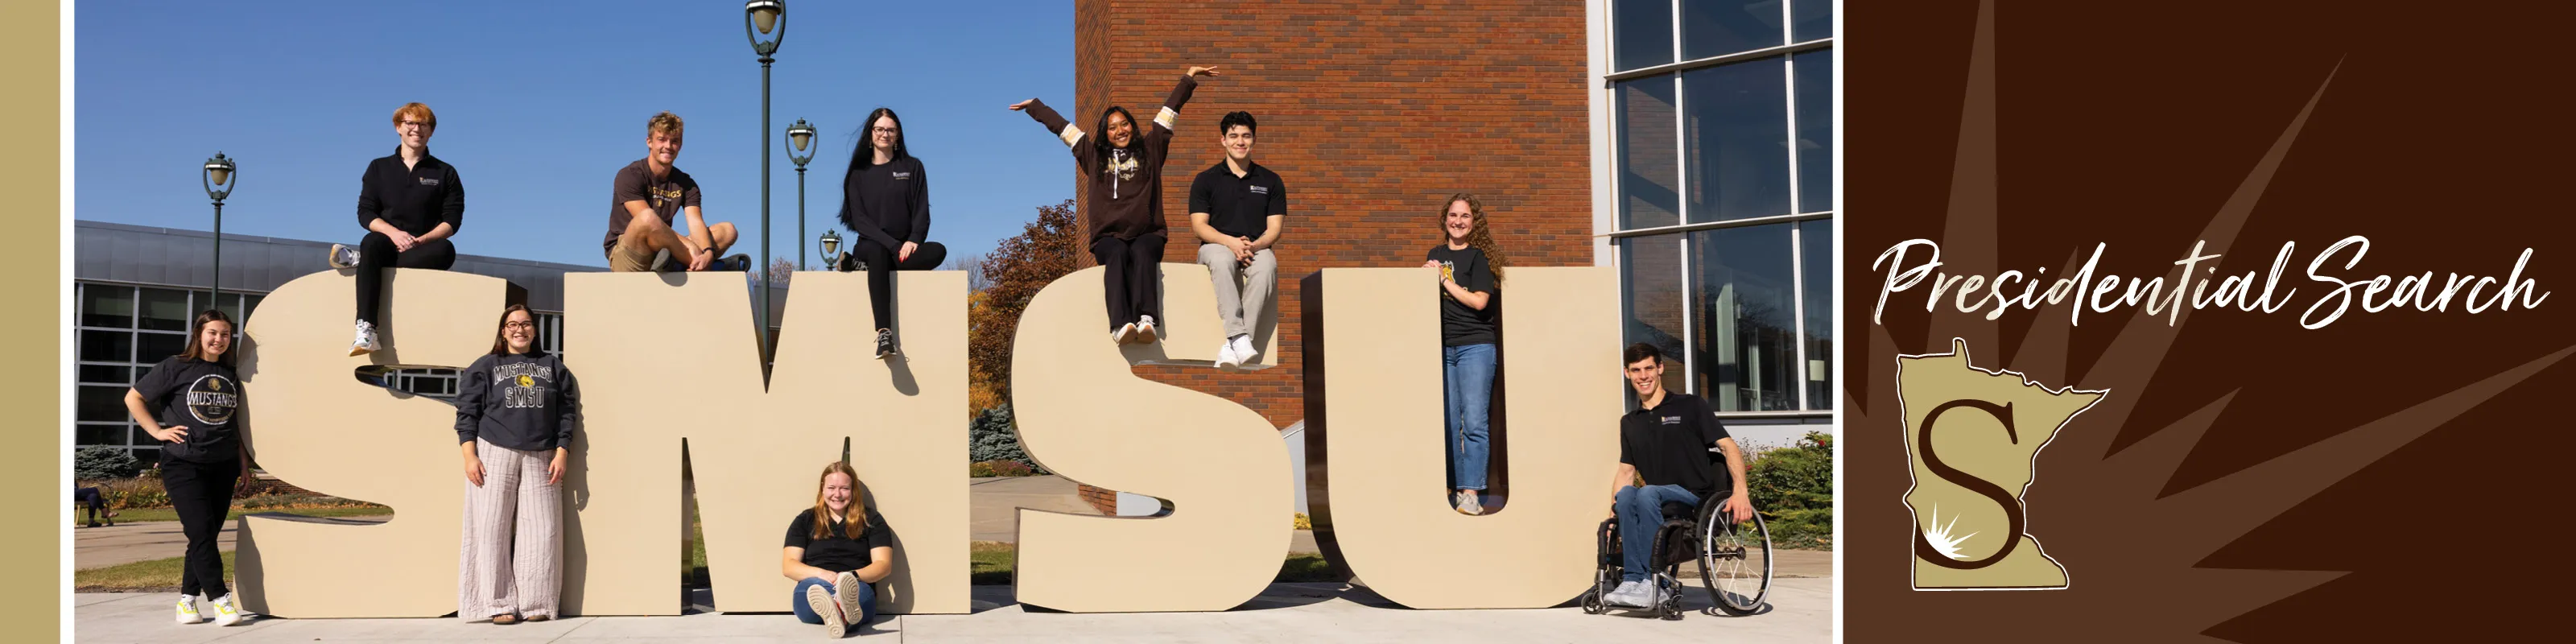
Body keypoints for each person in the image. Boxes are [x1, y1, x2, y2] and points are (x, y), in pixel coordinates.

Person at [1009, 64, 1222, 345]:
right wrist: (1035, 107)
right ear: (1105, 132)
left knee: (1145, 252)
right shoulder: (1093, 155)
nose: (1119, 130)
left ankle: (1147, 320)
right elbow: (1063, 129)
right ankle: (1120, 325)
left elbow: (1169, 113)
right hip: (1108, 237)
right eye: (1112, 127)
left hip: (1148, 233)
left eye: (1124, 124)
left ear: (1132, 126)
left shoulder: (1151, 149)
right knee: (1118, 255)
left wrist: (1189, 78)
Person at [124, 309, 254, 626]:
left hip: (223, 465)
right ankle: (221, 600)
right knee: (200, 531)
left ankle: (187, 600)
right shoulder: (176, 367)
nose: (219, 339)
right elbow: (134, 398)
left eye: (225, 334)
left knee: (204, 534)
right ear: (199, 334)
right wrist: (157, 432)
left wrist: (244, 465)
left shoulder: (232, 374)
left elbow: (235, 424)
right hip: (183, 463)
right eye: (213, 333)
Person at [454, 305, 579, 624]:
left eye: (525, 324)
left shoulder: (553, 367)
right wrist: (470, 456)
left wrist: (562, 451)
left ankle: (537, 603)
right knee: (491, 529)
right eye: (512, 324)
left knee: (542, 531)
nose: (519, 329)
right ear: (502, 330)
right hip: (494, 451)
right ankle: (498, 605)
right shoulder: (486, 366)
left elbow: (567, 412)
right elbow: (466, 414)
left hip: (543, 454)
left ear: (535, 331)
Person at [1605, 342, 1754, 609]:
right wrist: (1613, 515)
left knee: (1648, 491)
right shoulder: (1630, 422)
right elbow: (1626, 471)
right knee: (1627, 494)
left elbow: (1728, 446)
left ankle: (1658, 585)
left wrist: (1740, 491)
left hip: (1694, 498)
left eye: (1649, 368)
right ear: (1627, 374)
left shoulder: (1690, 406)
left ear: (1660, 368)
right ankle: (1633, 579)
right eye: (1636, 370)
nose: (1643, 376)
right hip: (1657, 501)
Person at [328, 101, 463, 357]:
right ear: (398, 128)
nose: (417, 129)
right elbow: (366, 212)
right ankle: (366, 330)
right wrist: (394, 233)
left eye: (423, 125)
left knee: (446, 250)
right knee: (371, 242)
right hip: (386, 242)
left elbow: (452, 220)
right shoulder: (379, 167)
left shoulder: (445, 172)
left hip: (425, 248)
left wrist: (422, 240)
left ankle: (364, 262)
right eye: (410, 123)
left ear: (431, 132)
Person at [834, 107, 949, 358]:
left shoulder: (913, 167)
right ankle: (884, 334)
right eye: (879, 129)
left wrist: (913, 240)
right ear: (870, 133)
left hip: (904, 247)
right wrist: (893, 246)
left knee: (938, 251)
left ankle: (862, 266)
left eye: (891, 130)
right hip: (872, 243)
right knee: (877, 251)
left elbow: (922, 210)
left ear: (898, 135)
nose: (885, 134)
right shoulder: (858, 174)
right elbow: (861, 222)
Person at [1419, 194, 1506, 515]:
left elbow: (1480, 302)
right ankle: (1453, 489)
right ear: (1445, 219)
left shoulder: (1479, 257)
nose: (1458, 221)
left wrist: (1442, 279)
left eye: (1465, 216)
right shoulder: (1435, 254)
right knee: (1446, 422)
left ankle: (1471, 492)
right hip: (1441, 346)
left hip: (1475, 346)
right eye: (1453, 215)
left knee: (1474, 423)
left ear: (1474, 223)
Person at [1186, 110, 1285, 369]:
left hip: (1256, 247)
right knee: (1221, 259)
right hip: (1215, 245)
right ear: (1223, 140)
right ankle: (1239, 336)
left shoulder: (1271, 181)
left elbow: (1274, 229)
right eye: (1234, 136)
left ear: (1254, 140)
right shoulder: (1206, 180)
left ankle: (1235, 344)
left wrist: (1253, 245)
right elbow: (1199, 227)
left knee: (1267, 266)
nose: (1240, 142)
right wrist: (1231, 242)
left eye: (1246, 136)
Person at [605, 111, 749, 273]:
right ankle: (709, 267)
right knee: (648, 218)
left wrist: (708, 252)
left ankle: (685, 264)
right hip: (629, 250)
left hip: (664, 251)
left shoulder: (687, 184)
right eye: (662, 140)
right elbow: (647, 221)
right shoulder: (629, 175)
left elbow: (696, 222)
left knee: (728, 231)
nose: (668, 146)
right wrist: (689, 246)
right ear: (649, 142)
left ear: (680, 145)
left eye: (674, 141)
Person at [782, 461, 893, 638]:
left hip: (856, 585)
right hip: (814, 585)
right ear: (823, 489)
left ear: (853, 490)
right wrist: (822, 574)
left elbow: (883, 564)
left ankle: (839, 611)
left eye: (845, 488)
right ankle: (844, 616)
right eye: (832, 487)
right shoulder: (805, 520)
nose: (837, 494)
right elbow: (789, 566)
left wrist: (851, 577)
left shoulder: (871, 520)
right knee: (813, 591)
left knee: (854, 594)